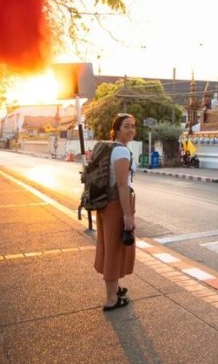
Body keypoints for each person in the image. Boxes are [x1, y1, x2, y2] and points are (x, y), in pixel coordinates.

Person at [94, 113, 137, 311]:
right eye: (126, 126)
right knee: (114, 250)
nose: (131, 130)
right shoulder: (122, 153)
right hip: (116, 205)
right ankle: (111, 299)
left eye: (133, 126)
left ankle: (116, 288)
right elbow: (122, 185)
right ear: (117, 129)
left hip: (105, 204)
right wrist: (127, 215)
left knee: (111, 246)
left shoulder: (112, 148)